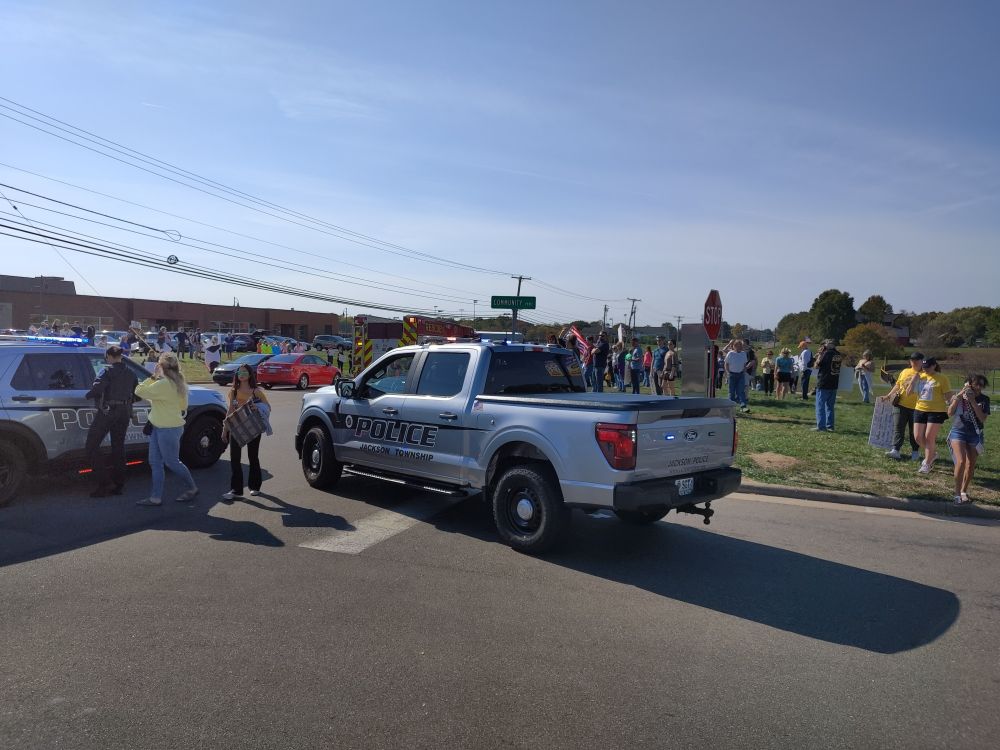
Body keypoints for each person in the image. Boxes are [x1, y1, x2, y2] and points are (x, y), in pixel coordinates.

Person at [134, 353, 199, 506]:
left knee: (171, 462)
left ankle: (192, 488)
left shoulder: (163, 384)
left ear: (161, 367)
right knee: (155, 462)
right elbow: (183, 406)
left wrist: (153, 376)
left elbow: (139, 391)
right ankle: (155, 498)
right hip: (164, 427)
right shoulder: (179, 382)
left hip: (167, 429)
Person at [84, 346, 139, 497]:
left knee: (91, 446)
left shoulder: (106, 371)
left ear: (108, 356)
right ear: (121, 356)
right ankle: (119, 484)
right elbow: (138, 393)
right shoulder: (131, 372)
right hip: (124, 412)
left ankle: (104, 483)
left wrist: (87, 396)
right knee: (118, 447)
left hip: (108, 412)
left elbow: (97, 389)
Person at [221, 363, 272, 500]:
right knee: (235, 458)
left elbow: (268, 408)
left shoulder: (257, 391)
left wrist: (257, 407)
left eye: (244, 372)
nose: (241, 374)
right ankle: (236, 490)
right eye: (239, 372)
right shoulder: (233, 391)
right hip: (236, 427)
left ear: (250, 374)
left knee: (253, 456)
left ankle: (255, 487)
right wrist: (225, 430)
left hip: (252, 427)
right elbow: (230, 410)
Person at [947, 373, 990, 504]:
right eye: (976, 384)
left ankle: (964, 491)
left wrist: (972, 401)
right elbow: (949, 413)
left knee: (970, 464)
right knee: (960, 462)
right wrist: (959, 396)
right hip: (958, 431)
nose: (979, 387)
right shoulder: (960, 396)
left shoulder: (984, 399)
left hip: (975, 433)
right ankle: (956, 493)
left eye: (982, 385)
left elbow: (982, 418)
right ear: (969, 384)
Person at [910, 357, 953, 474]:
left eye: (928, 367)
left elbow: (949, 395)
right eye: (923, 367)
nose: (925, 369)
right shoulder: (920, 376)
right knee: (918, 437)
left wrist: (953, 406)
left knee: (929, 437)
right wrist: (913, 380)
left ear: (934, 365)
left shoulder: (942, 378)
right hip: (920, 409)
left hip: (936, 411)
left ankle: (927, 464)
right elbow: (908, 392)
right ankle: (932, 454)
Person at [879, 352, 924, 461]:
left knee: (914, 431)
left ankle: (915, 452)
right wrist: (889, 395)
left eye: (917, 360)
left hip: (917, 407)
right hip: (900, 404)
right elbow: (898, 385)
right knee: (898, 427)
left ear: (922, 361)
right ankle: (895, 450)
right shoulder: (905, 371)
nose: (914, 362)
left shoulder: (926, 374)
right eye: (912, 360)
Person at [813, 340, 843, 431]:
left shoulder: (825, 353)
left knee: (820, 405)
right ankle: (830, 426)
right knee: (830, 406)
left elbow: (816, 366)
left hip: (824, 382)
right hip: (834, 383)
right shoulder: (838, 354)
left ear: (826, 345)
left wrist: (819, 355)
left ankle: (821, 427)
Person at [724, 339, 749, 413]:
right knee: (731, 392)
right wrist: (728, 373)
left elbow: (744, 364)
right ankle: (730, 407)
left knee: (741, 391)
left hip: (741, 375)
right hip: (732, 374)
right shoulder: (730, 353)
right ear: (734, 346)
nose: (740, 347)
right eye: (738, 346)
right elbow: (726, 364)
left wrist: (744, 372)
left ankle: (743, 406)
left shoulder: (743, 353)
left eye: (741, 345)